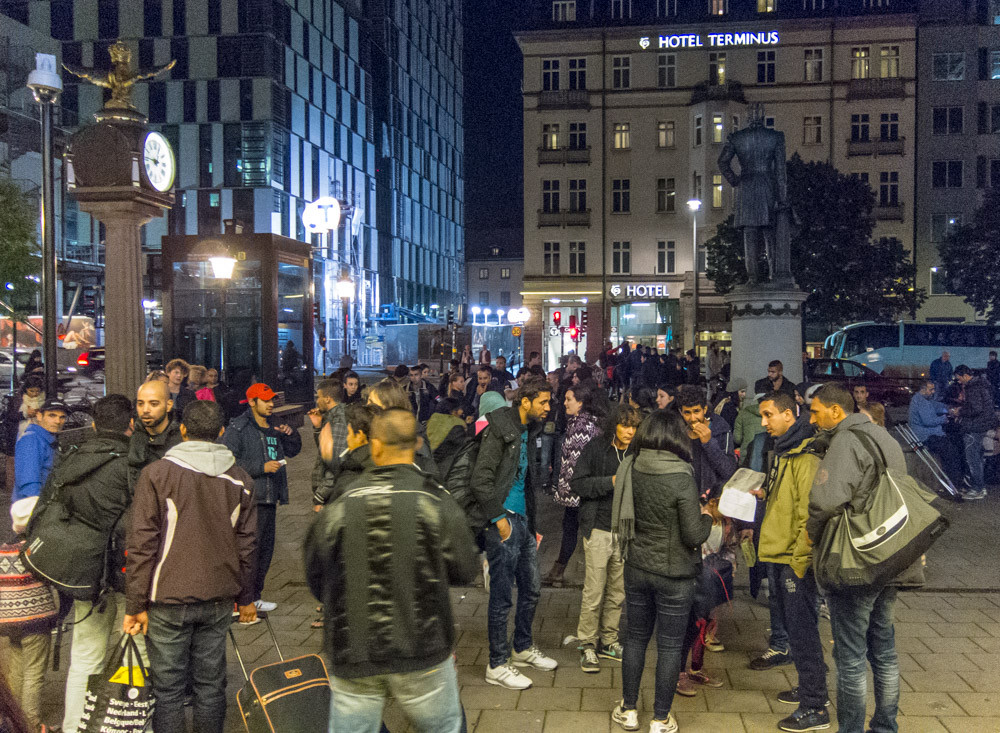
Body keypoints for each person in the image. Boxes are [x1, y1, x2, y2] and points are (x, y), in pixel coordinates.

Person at [305, 408, 479, 732]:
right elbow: (465, 568)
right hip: (422, 647)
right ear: (415, 445)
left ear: (376, 446)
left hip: (353, 651)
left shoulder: (341, 504)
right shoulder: (435, 501)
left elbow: (316, 574)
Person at [123, 400, 258, 733]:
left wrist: (135, 604)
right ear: (222, 433)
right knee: (211, 686)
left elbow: (142, 544)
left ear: (182, 430)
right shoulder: (241, 480)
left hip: (167, 597)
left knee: (167, 690)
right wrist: (247, 596)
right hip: (219, 597)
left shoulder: (156, 474)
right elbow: (248, 545)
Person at [806, 384, 904, 733]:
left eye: (816, 411)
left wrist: (811, 532)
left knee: (849, 656)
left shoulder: (846, 442)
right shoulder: (884, 437)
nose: (812, 418)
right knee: (884, 650)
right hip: (891, 555)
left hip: (856, 560)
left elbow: (825, 500)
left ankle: (850, 729)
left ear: (836, 410)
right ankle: (886, 726)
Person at [610, 409, 713, 733]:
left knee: (636, 640)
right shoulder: (681, 476)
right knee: (669, 646)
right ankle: (660, 718)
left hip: (637, 567)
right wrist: (708, 514)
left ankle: (628, 710)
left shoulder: (631, 467)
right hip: (675, 575)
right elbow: (693, 535)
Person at [59, 395, 148, 733]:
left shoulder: (71, 460)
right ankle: (130, 723)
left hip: (86, 574)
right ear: (130, 425)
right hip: (126, 574)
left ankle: (74, 726)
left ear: (94, 425)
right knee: (135, 650)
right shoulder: (134, 464)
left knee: (84, 655)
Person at [470, 379, 558, 690]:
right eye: (543, 402)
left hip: (523, 522)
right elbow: (480, 480)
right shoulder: (500, 429)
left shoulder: (528, 430)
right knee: (502, 597)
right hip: (504, 522)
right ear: (525, 402)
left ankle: (521, 648)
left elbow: (526, 481)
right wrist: (499, 519)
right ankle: (496, 664)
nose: (548, 408)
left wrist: (530, 526)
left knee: (532, 589)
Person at [755, 391, 830, 733]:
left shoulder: (804, 456)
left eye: (769, 415)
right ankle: (811, 689)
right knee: (799, 629)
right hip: (781, 553)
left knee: (802, 632)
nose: (763, 422)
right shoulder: (786, 451)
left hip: (793, 559)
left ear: (789, 415)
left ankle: (815, 707)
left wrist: (799, 564)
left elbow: (808, 515)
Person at [572, 404, 641, 673]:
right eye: (625, 425)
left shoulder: (637, 454)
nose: (630, 431)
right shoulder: (595, 449)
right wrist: (611, 482)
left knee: (618, 592)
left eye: (634, 426)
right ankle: (587, 643)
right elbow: (578, 484)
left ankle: (609, 640)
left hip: (625, 532)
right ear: (614, 425)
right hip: (599, 529)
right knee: (593, 591)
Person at [223, 382, 302, 612]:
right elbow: (229, 461)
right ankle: (242, 599)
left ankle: (254, 595)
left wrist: (291, 435)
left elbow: (294, 451)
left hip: (271, 497)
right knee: (249, 551)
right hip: (250, 499)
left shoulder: (275, 424)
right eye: (265, 400)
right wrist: (261, 467)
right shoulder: (238, 428)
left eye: (271, 400)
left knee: (265, 551)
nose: (270, 404)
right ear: (252, 402)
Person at [544, 381, 606, 588]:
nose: (564, 403)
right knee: (574, 529)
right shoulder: (584, 423)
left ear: (580, 403)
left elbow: (577, 462)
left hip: (578, 491)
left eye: (569, 399)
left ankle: (562, 572)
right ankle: (559, 571)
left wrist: (568, 487)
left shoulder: (581, 426)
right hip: (579, 490)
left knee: (576, 530)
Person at [11, 398, 68, 532]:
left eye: (62, 417)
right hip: (35, 512)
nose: (58, 421)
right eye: (52, 415)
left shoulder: (48, 440)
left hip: (46, 510)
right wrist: (39, 514)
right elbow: (29, 482)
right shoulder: (31, 440)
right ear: (39, 416)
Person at [676, 385, 737, 502]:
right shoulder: (678, 433)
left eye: (696, 411)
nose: (692, 418)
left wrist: (709, 443)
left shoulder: (721, 429)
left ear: (704, 409)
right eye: (687, 413)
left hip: (711, 500)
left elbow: (729, 471)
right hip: (686, 499)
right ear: (680, 412)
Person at [953, 364, 997, 500]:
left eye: (959, 378)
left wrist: (959, 411)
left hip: (974, 427)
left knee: (972, 459)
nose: (959, 382)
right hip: (983, 425)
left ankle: (977, 488)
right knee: (978, 458)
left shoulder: (973, 388)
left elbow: (976, 409)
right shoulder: (983, 384)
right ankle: (980, 487)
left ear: (965, 376)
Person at [908, 379, 963, 487]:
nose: (933, 392)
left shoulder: (925, 400)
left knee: (955, 445)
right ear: (923, 390)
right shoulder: (920, 402)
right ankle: (955, 483)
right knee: (951, 453)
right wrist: (945, 418)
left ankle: (957, 480)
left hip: (931, 434)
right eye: (931, 389)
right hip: (926, 436)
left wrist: (949, 409)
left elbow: (937, 405)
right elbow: (928, 421)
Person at [129, 380, 183, 488]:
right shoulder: (132, 437)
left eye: (153, 404)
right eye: (140, 404)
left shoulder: (181, 442)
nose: (145, 410)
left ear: (169, 405)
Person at [310, 377, 348, 506]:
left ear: (327, 398)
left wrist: (321, 495)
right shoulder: (331, 416)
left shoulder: (338, 420)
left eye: (318, 397)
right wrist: (317, 427)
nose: (317, 401)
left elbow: (335, 462)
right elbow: (323, 450)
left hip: (333, 495)